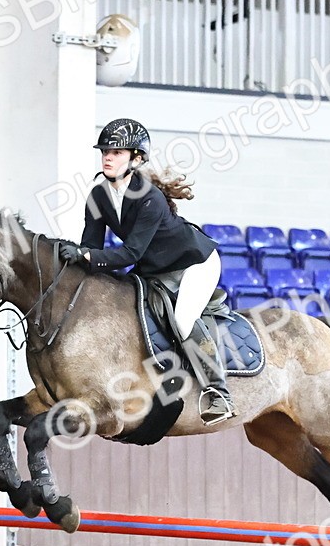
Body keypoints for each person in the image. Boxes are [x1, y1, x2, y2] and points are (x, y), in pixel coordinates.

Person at [65, 118, 236, 425]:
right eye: (105, 150)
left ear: (137, 158)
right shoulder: (98, 197)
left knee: (183, 320)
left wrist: (87, 255)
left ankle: (217, 391)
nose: (107, 156)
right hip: (154, 268)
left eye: (117, 152)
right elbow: (90, 246)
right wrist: (73, 257)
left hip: (193, 263)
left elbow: (129, 253)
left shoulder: (149, 197)